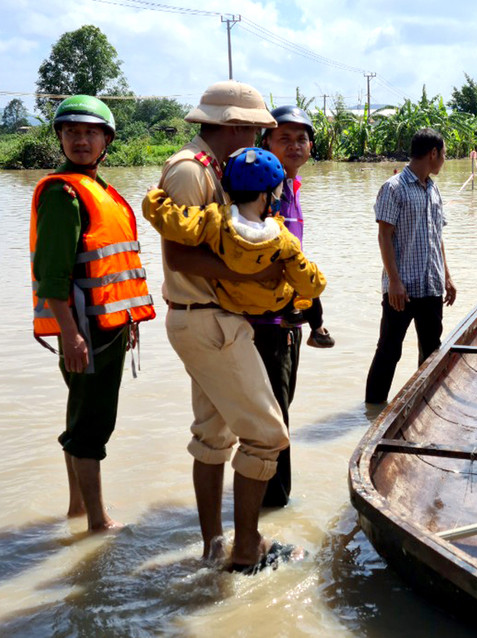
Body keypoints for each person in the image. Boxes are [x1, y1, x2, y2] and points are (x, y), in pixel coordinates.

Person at [156, 80, 294, 572]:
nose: (258, 141)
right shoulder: (190, 173)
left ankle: (215, 545)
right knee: (268, 436)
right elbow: (177, 253)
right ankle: (245, 547)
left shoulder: (213, 170)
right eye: (256, 131)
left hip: (206, 319)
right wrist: (256, 272)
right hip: (206, 319)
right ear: (235, 125)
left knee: (214, 436)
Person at [30, 95, 155, 532]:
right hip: (86, 328)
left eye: (90, 132)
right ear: (60, 138)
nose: (80, 140)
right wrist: (71, 335)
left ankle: (77, 509)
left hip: (108, 326)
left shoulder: (99, 190)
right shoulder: (64, 194)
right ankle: (98, 523)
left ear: (106, 140)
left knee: (81, 415)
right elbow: (53, 274)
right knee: (93, 423)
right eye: (70, 132)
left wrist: (129, 321)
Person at [252, 105, 332, 507]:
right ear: (266, 142)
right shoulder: (265, 190)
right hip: (269, 322)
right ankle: (272, 508)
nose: (295, 145)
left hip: (288, 319)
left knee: (279, 414)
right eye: (284, 138)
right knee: (274, 421)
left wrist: (312, 313)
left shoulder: (290, 189)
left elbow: (293, 258)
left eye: (301, 138)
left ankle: (268, 504)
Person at [142, 147, 326, 315]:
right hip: (272, 304)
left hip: (228, 303)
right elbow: (310, 284)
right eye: (278, 193)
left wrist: (154, 197)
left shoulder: (214, 220)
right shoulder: (284, 239)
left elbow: (175, 222)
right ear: (265, 197)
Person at [364, 128, 456, 405]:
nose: (444, 160)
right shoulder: (394, 188)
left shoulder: (433, 188)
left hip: (430, 285)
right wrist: (394, 280)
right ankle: (372, 409)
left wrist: (448, 277)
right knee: (389, 351)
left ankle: (423, 405)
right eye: (444, 155)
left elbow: (437, 236)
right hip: (401, 288)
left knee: (430, 351)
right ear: (433, 154)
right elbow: (384, 236)